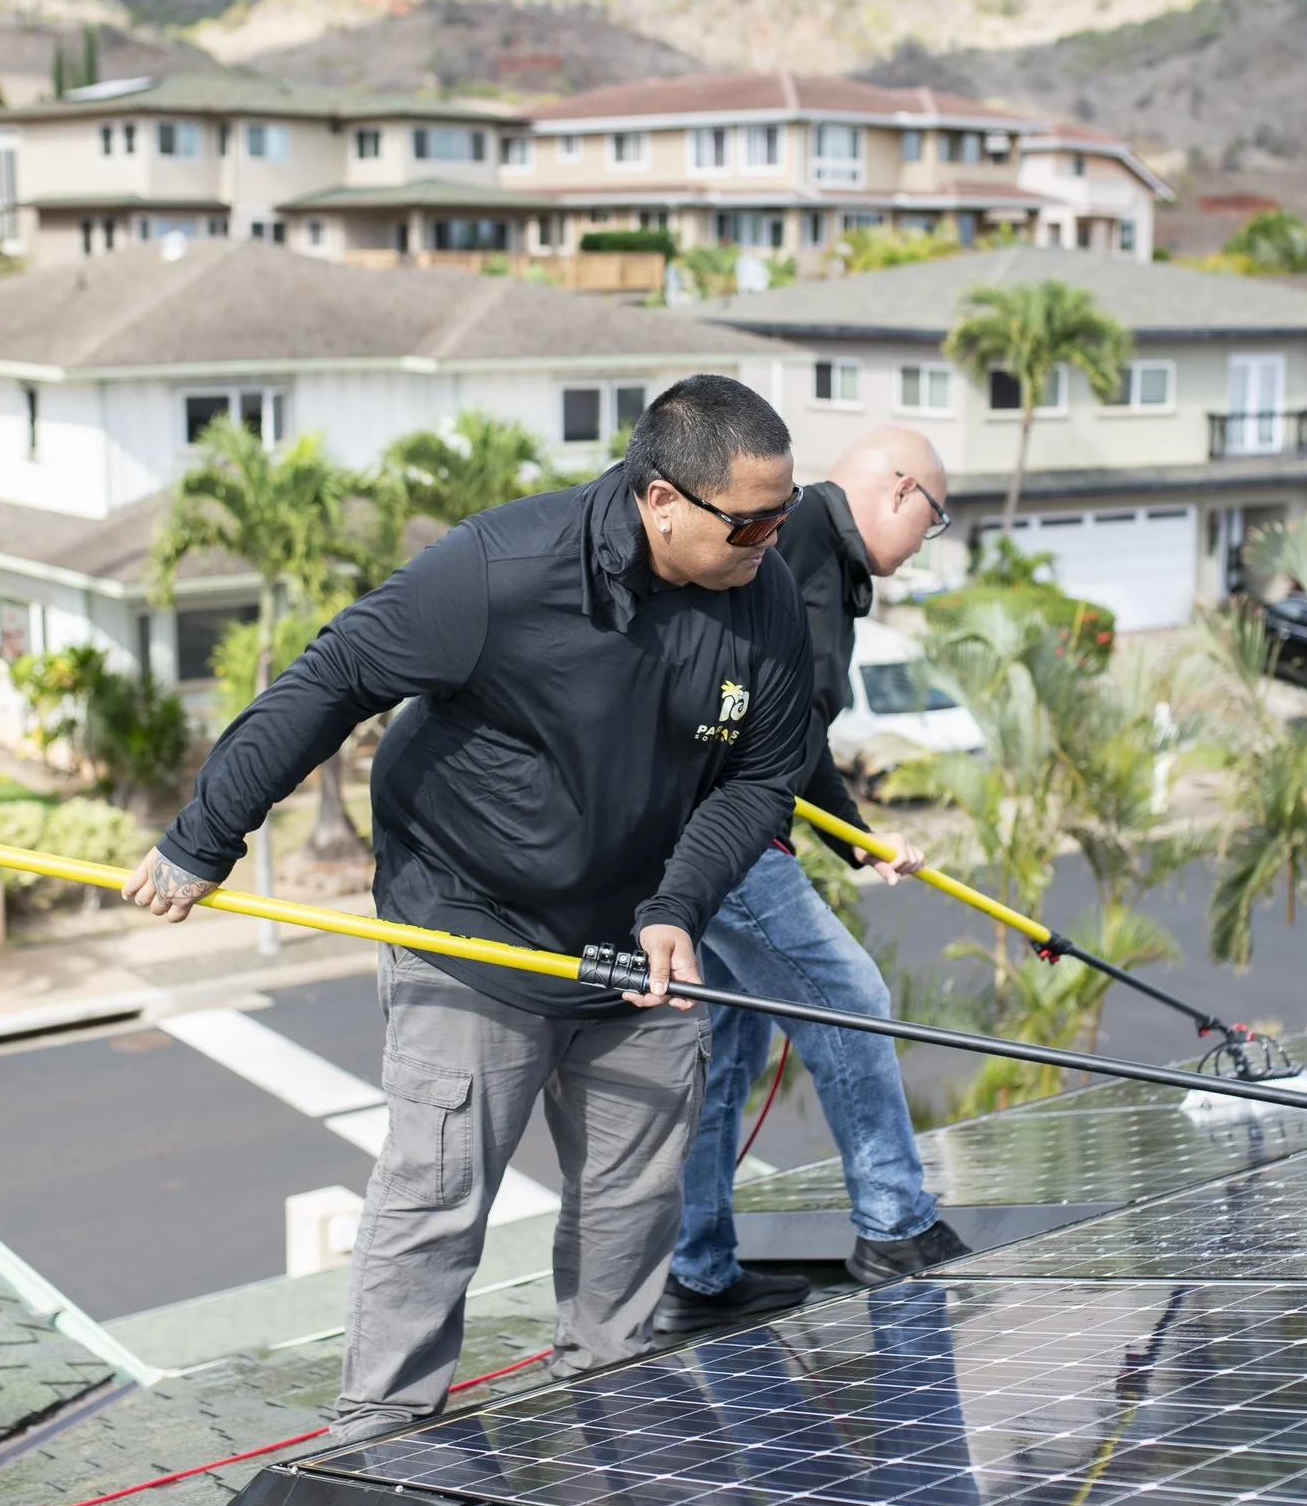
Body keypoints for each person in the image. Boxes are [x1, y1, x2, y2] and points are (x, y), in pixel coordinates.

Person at [121, 375, 813, 1442]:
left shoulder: (762, 591)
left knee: (636, 1200)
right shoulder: (503, 569)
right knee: (437, 1196)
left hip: (637, 940)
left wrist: (680, 902)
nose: (773, 539)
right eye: (752, 520)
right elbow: (335, 674)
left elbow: (764, 775)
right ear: (662, 498)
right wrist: (207, 832)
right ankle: (380, 1439)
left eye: (786, 514)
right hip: (470, 919)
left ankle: (613, 1407)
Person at [659, 427, 968, 1332]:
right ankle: (893, 1225)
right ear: (902, 490)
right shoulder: (796, 546)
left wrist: (858, 841)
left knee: (731, 1049)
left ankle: (698, 1271)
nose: (922, 547)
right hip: (726, 830)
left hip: (704, 825)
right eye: (934, 522)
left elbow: (790, 725)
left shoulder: (811, 556)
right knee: (850, 998)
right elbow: (757, 722)